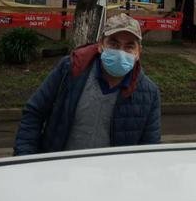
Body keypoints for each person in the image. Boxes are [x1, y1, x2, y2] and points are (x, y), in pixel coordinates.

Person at [14, 13, 161, 155]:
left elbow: (149, 151)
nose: (120, 53)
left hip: (112, 178)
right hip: (59, 174)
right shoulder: (71, 69)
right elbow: (34, 113)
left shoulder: (148, 94)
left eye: (129, 46)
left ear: (138, 52)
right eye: (114, 44)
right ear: (100, 45)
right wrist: (25, 160)